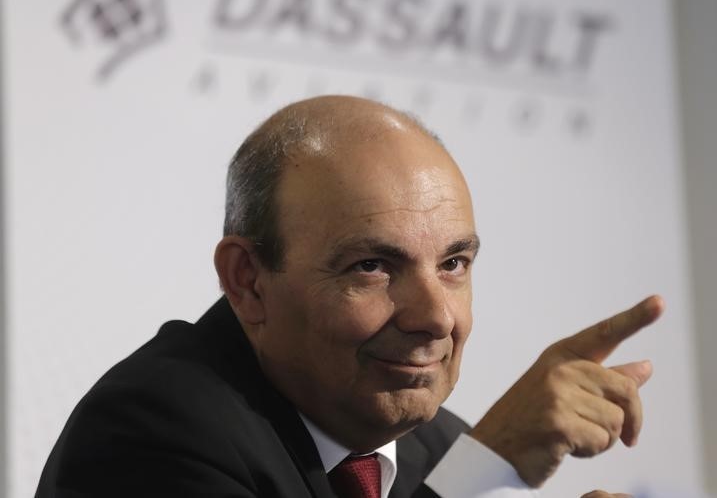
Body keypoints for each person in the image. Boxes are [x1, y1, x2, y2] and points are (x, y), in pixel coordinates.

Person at [36, 96, 662, 498]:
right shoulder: (153, 430)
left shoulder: (438, 449)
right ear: (248, 280)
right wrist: (484, 469)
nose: (435, 318)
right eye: (371, 266)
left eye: (453, 264)